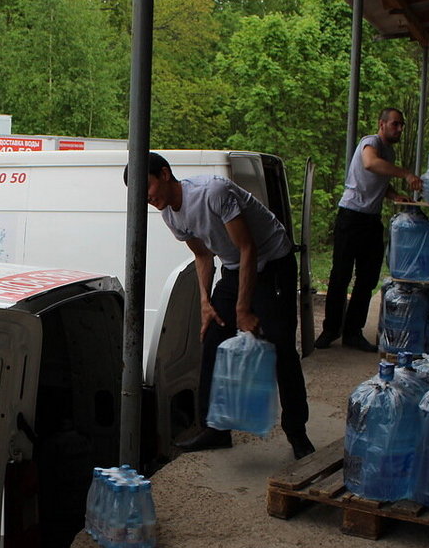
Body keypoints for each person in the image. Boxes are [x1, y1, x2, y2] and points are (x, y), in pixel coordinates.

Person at [131, 153, 314, 459]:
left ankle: (298, 434)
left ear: (163, 174)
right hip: (234, 267)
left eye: (146, 187)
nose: (146, 198)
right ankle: (214, 429)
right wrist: (205, 301)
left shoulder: (213, 192)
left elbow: (248, 248)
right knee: (213, 337)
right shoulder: (171, 215)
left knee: (280, 346)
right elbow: (203, 256)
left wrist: (243, 310)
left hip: (272, 262)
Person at [316, 108, 423, 351]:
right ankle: (331, 329)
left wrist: (394, 194)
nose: (399, 129)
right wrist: (405, 173)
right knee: (341, 275)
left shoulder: (390, 153)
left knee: (367, 278)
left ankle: (353, 332)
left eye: (401, 125)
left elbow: (378, 181)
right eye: (395, 124)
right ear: (382, 124)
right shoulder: (371, 143)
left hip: (371, 221)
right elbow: (370, 164)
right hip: (351, 216)